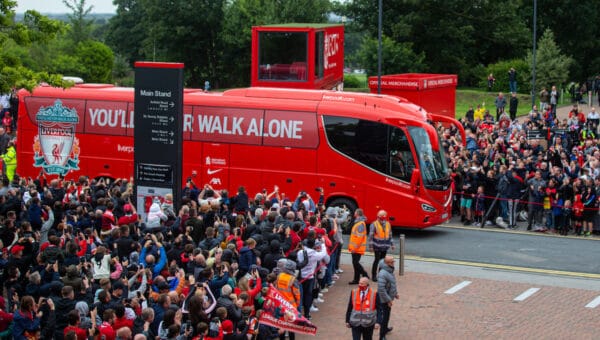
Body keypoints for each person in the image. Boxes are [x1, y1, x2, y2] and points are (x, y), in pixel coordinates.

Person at [368, 210, 393, 281]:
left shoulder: (388, 224)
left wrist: (392, 244)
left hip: (385, 246)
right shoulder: (374, 224)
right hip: (377, 246)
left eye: (383, 216)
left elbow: (390, 234)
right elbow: (370, 236)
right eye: (380, 216)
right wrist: (370, 246)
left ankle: (380, 275)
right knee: (376, 260)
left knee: (383, 261)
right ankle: (374, 275)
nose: (381, 218)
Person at [376, 256, 398, 340]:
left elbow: (391, 284)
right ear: (387, 263)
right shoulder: (383, 273)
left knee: (387, 315)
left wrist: (395, 293)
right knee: (384, 317)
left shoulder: (388, 270)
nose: (394, 263)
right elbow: (381, 289)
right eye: (392, 262)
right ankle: (382, 336)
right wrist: (388, 300)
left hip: (387, 297)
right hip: (384, 299)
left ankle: (385, 329)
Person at [348, 209, 369, 284]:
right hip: (356, 247)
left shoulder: (360, 224)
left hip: (357, 248)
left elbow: (359, 238)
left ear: (357, 214)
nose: (354, 213)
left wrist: (355, 248)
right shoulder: (359, 223)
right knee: (355, 263)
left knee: (356, 263)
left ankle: (364, 274)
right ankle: (356, 279)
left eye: (355, 212)